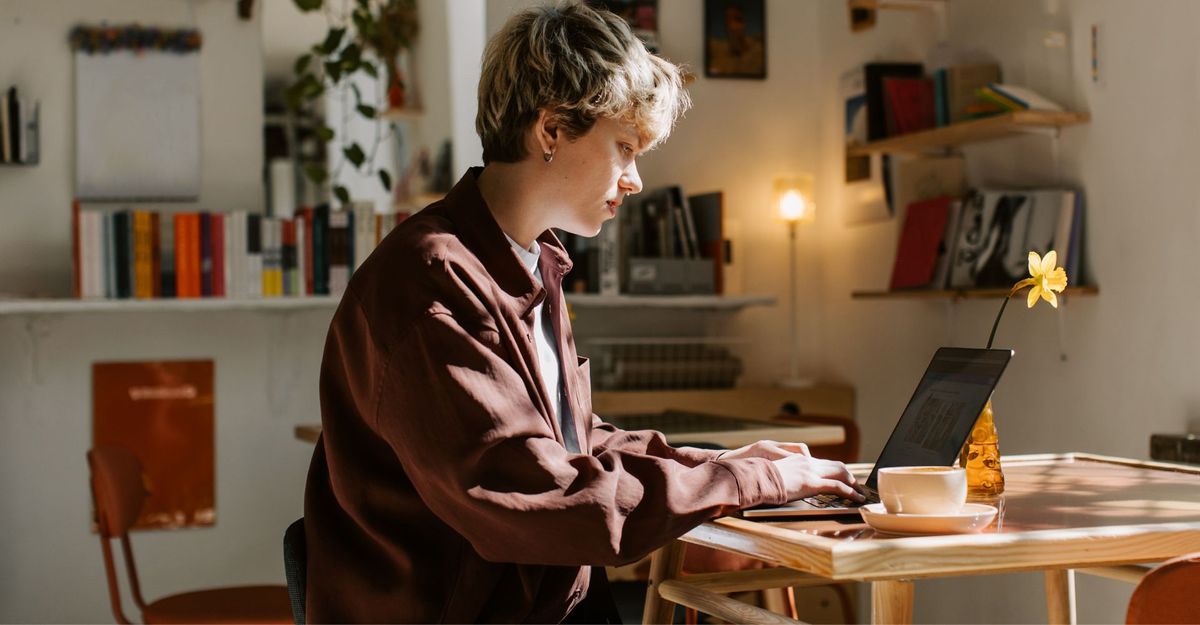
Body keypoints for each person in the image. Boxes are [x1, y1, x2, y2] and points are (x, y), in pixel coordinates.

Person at [303, 2, 862, 622]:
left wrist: (728, 465)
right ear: (551, 131)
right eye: (624, 147)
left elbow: (571, 445)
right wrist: (748, 483)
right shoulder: (431, 281)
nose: (635, 180)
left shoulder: (530, 264)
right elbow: (547, 495)